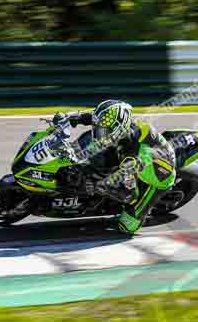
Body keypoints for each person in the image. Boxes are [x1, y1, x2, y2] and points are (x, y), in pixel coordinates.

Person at [53, 100, 176, 234]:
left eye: (103, 131)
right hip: (135, 152)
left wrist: (94, 184)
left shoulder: (131, 153)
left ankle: (140, 212)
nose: (99, 133)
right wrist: (71, 117)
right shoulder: (118, 128)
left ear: (118, 129)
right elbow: (95, 118)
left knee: (127, 226)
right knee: (89, 146)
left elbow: (130, 195)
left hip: (158, 172)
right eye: (99, 129)